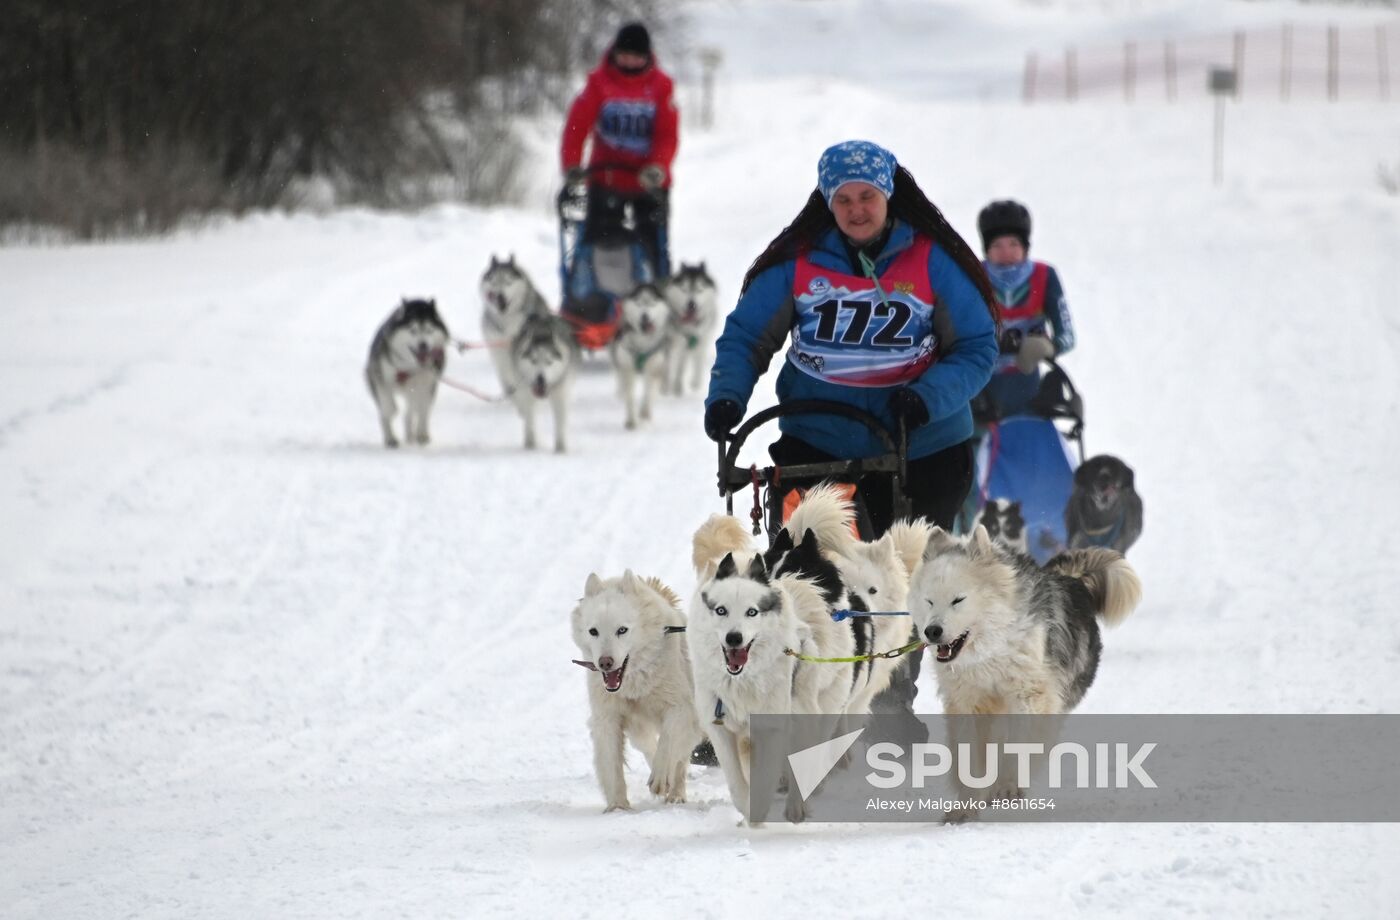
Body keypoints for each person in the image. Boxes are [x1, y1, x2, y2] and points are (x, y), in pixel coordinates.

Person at [701, 139, 1000, 722]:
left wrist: (926, 397)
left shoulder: (932, 261)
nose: (857, 209)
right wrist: (727, 397)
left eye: (867, 196)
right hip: (820, 446)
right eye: (843, 199)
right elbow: (745, 337)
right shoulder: (800, 262)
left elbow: (976, 346)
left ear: (888, 196)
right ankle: (759, 699)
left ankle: (888, 703)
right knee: (805, 570)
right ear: (826, 202)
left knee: (902, 580)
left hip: (923, 447)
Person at [560, 22, 678, 279]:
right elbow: (577, 126)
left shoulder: (661, 87)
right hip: (606, 177)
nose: (629, 61)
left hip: (649, 182)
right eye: (625, 55)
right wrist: (572, 165)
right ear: (615, 53)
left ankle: (656, 288)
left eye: (636, 57)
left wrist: (658, 167)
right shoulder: (599, 83)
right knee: (597, 243)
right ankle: (592, 299)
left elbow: (667, 135)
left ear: (646, 57)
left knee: (652, 246)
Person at [972, 200, 1075, 421]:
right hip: (980, 389)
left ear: (1025, 246)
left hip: (1028, 387)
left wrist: (1049, 346)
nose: (1006, 252)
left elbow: (1067, 335)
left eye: (1013, 244)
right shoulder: (972, 276)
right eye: (997, 246)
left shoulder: (1045, 276)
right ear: (986, 249)